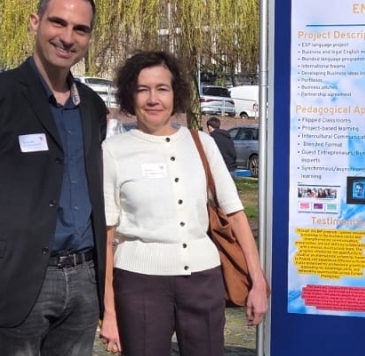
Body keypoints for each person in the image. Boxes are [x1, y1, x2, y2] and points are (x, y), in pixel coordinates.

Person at [0, 0, 109, 355]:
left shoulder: (92, 107)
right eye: (58, 23)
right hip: (16, 278)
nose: (67, 37)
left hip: (83, 281)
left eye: (80, 29)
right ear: (35, 22)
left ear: (89, 37)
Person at [99, 51, 268, 356]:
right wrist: (109, 313)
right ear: (130, 95)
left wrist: (257, 282)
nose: (153, 99)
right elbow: (106, 234)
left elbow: (236, 215)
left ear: (175, 94)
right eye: (143, 89)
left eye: (162, 88)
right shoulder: (113, 151)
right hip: (139, 285)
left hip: (203, 281)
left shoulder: (202, 143)